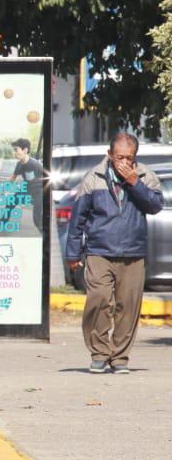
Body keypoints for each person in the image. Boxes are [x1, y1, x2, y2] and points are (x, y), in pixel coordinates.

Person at [64, 133, 164, 374]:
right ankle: (99, 353)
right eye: (119, 157)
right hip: (99, 251)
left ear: (135, 158)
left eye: (129, 158)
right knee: (98, 300)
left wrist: (134, 182)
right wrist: (73, 252)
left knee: (127, 307)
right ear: (109, 155)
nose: (124, 162)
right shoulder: (94, 177)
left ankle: (119, 357)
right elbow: (78, 218)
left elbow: (155, 205)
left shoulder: (144, 176)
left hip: (133, 252)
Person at [10, 137, 46, 231]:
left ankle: (45, 238)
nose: (14, 152)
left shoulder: (35, 165)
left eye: (16, 149)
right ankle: (3, 221)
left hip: (39, 192)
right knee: (10, 202)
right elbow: (13, 177)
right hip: (27, 190)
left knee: (37, 221)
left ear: (25, 150)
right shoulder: (19, 164)